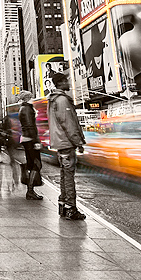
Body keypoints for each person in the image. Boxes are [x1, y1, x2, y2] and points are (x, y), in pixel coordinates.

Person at [47, 72, 86, 220]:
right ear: (61, 83)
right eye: (67, 81)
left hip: (60, 142)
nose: (69, 83)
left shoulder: (53, 100)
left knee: (64, 175)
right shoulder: (62, 100)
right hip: (66, 143)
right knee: (69, 176)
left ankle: (63, 205)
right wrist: (78, 142)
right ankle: (71, 208)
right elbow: (69, 124)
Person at [17, 91, 43, 200]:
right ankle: (30, 190)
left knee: (32, 164)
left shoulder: (24, 108)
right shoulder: (27, 109)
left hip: (26, 138)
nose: (33, 98)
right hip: (30, 139)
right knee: (36, 164)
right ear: (27, 98)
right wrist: (36, 141)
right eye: (31, 97)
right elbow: (29, 126)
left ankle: (30, 190)